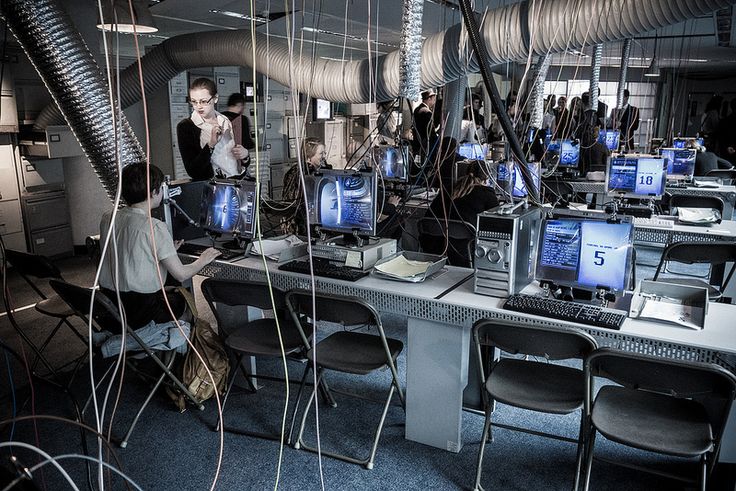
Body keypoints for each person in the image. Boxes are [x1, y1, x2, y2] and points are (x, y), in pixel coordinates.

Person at [98, 162, 220, 332]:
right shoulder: (154, 227)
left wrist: (167, 251)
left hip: (110, 307)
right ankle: (181, 351)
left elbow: (128, 251)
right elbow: (181, 274)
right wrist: (203, 259)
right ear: (153, 192)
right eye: (161, 187)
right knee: (184, 300)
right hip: (142, 311)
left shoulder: (107, 218)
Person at [176, 78, 250, 181]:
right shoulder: (186, 127)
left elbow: (236, 159)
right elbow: (193, 171)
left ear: (215, 98)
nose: (198, 106)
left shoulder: (227, 121)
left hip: (238, 181)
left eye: (204, 101)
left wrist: (245, 155)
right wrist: (210, 145)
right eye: (194, 102)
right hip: (214, 188)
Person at [281, 137, 330, 202]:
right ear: (309, 157)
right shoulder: (310, 174)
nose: (324, 156)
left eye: (325, 153)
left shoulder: (293, 170)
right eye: (321, 153)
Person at [220, 92, 256, 157]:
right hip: (236, 157)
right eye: (243, 105)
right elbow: (247, 143)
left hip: (221, 157)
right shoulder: (242, 119)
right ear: (239, 105)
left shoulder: (219, 117)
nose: (244, 108)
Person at [413, 89, 439, 162]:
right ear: (429, 98)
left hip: (417, 143)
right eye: (434, 100)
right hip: (425, 145)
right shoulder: (426, 112)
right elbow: (430, 131)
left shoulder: (417, 109)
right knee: (424, 162)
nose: (434, 102)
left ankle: (416, 169)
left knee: (417, 162)